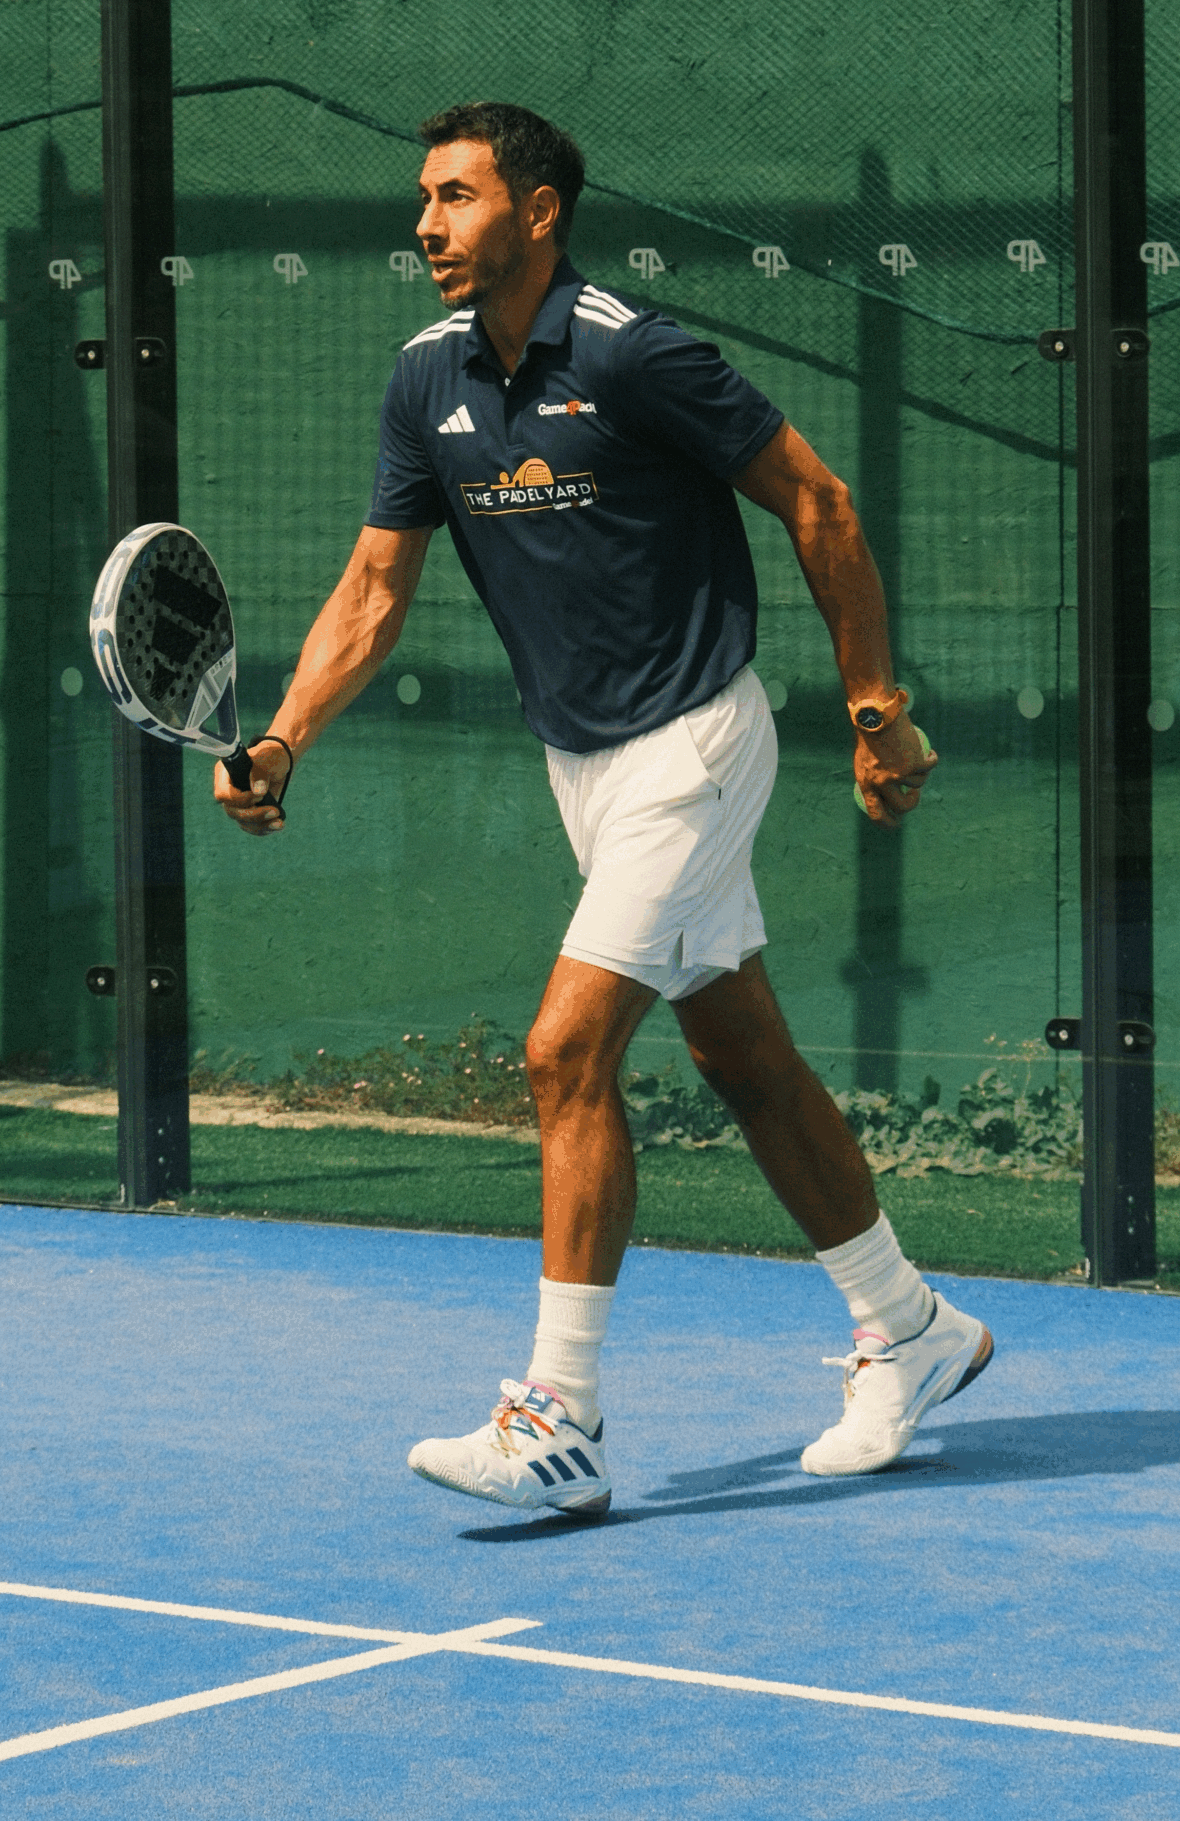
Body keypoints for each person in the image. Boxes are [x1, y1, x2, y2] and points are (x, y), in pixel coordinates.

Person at [216, 101, 992, 1518]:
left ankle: (555, 1419)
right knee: (741, 1057)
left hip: (695, 739)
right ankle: (914, 1328)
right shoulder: (423, 382)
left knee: (563, 1049)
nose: (426, 224)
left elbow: (815, 502)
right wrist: (280, 739)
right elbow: (376, 587)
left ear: (539, 210)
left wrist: (872, 706)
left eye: (454, 197)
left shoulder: (636, 354)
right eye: (423, 199)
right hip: (583, 766)